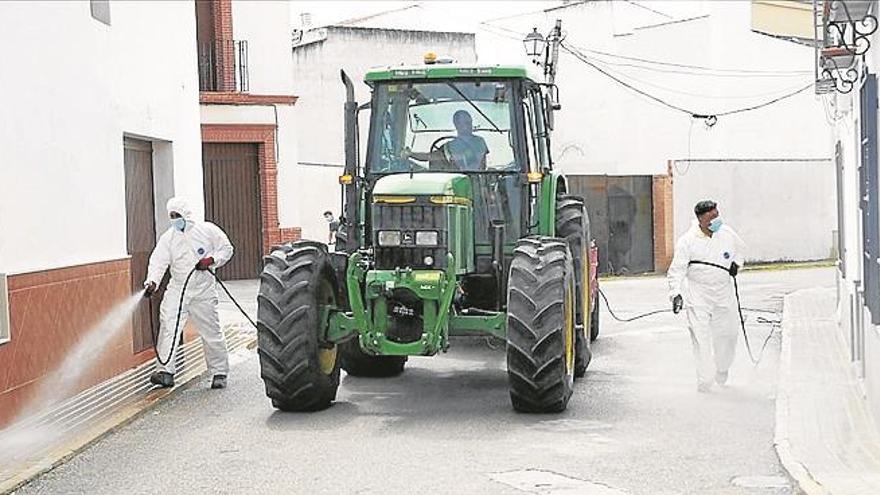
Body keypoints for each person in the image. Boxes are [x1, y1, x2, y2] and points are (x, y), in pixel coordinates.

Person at [143, 197, 234, 389]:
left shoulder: (207, 230)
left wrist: (211, 260)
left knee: (211, 331)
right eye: (172, 216)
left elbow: (226, 249)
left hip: (203, 290)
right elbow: (158, 261)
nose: (175, 219)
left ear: (186, 215)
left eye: (177, 215)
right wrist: (152, 281)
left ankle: (219, 372)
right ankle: (165, 371)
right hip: (178, 289)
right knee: (168, 326)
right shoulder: (169, 238)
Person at [666, 200, 746, 393]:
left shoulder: (726, 234)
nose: (716, 220)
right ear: (701, 219)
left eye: (717, 215)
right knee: (700, 337)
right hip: (699, 295)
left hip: (724, 293)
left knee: (728, 334)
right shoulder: (687, 241)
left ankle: (722, 367)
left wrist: (737, 263)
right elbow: (676, 270)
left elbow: (741, 250)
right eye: (712, 217)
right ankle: (704, 379)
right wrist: (675, 293)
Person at [403, 110, 489, 171]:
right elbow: (430, 157)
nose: (470, 125)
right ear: (457, 125)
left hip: (477, 180)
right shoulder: (448, 147)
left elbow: (481, 164)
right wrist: (411, 154)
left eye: (470, 122)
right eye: (466, 123)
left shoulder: (480, 141)